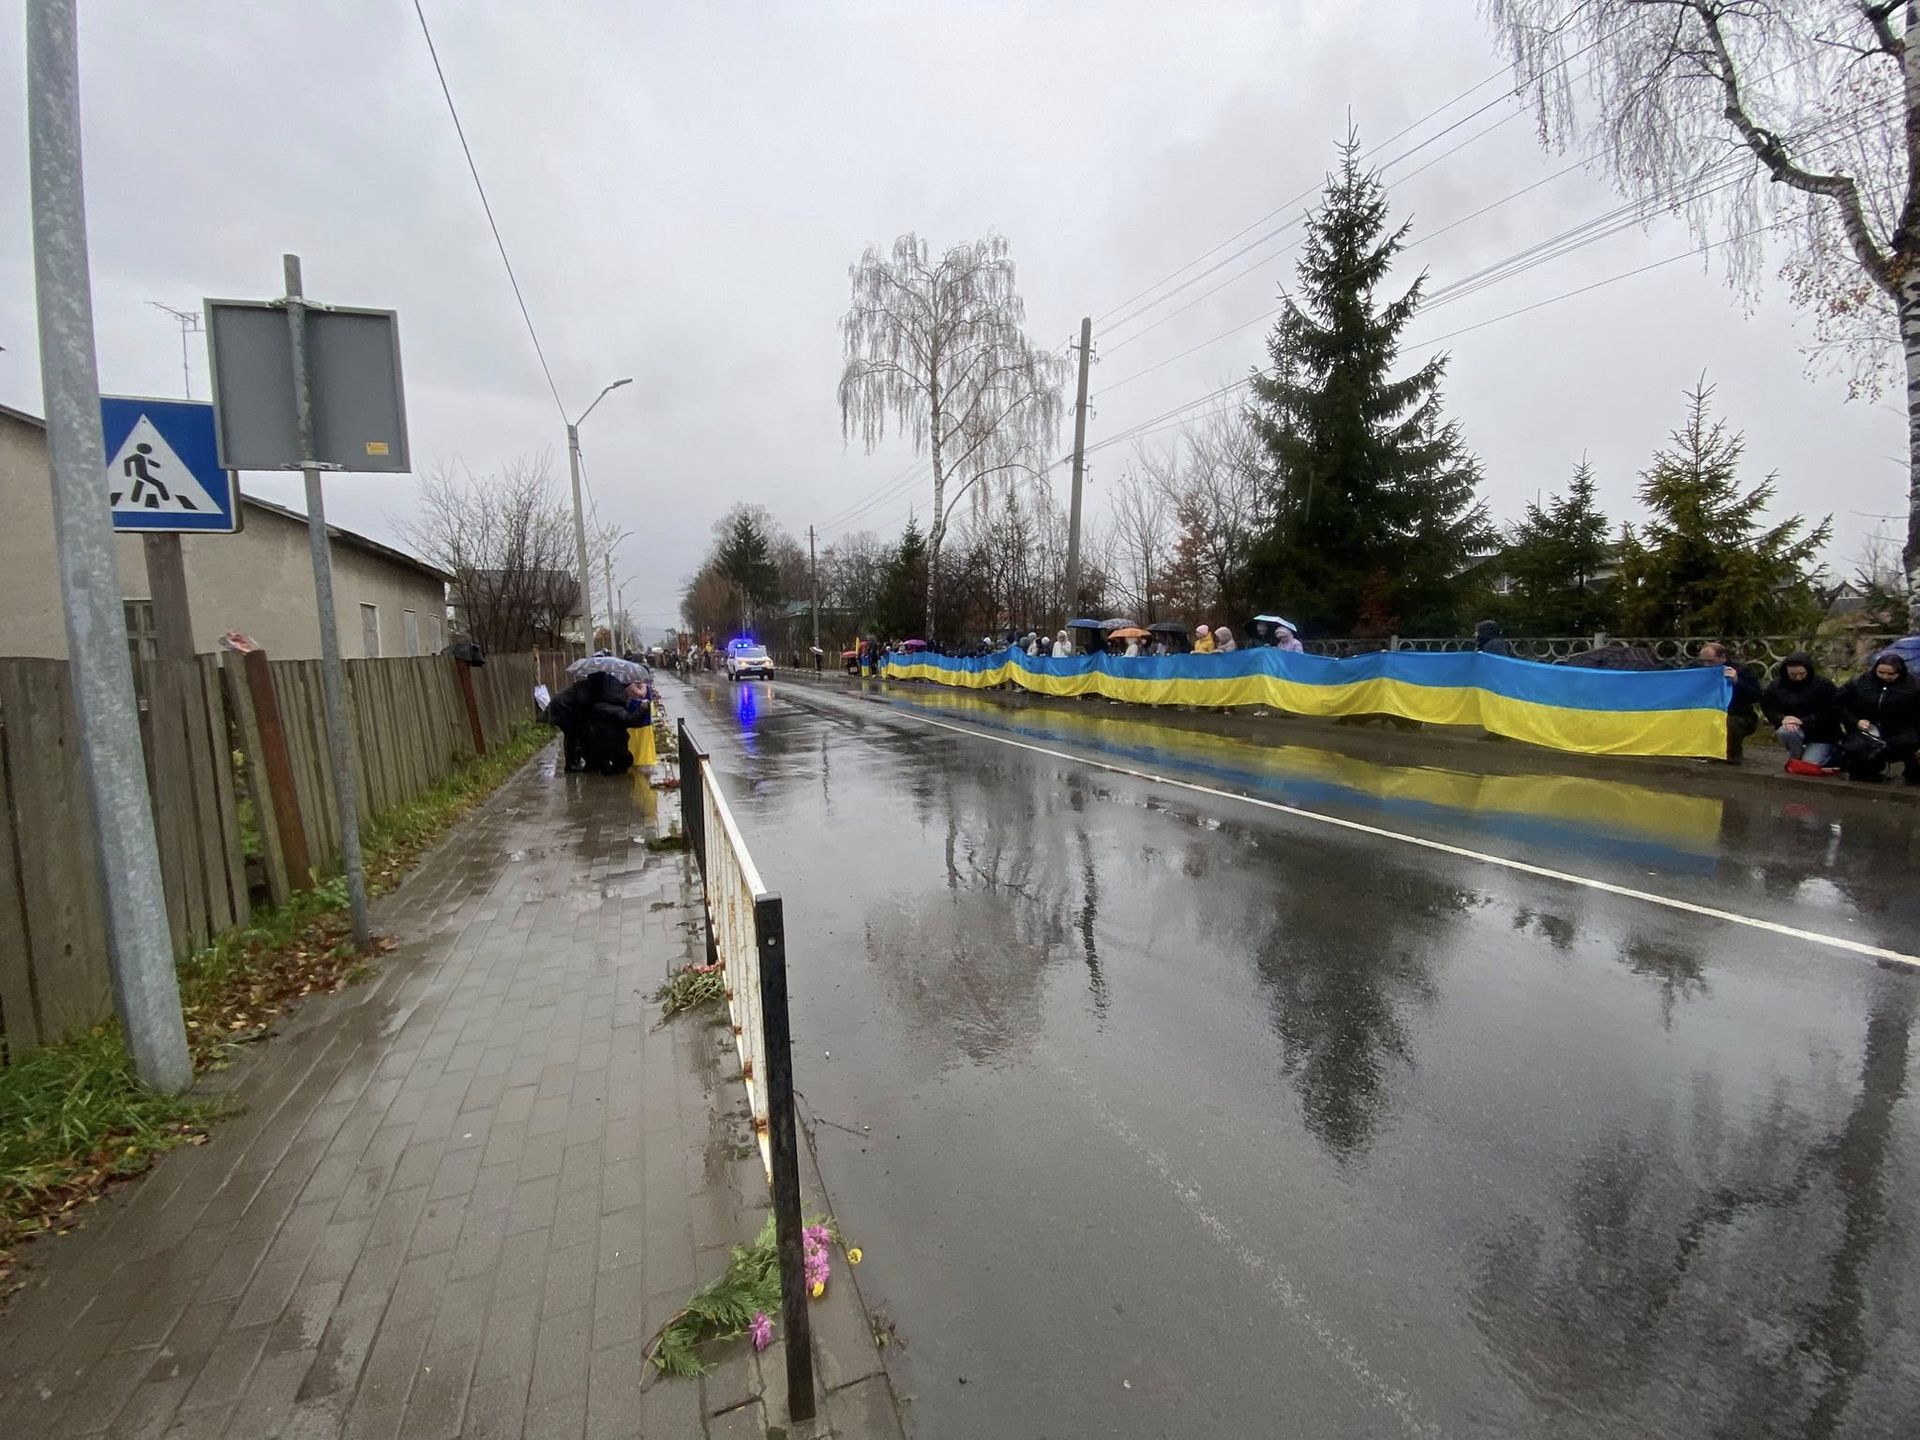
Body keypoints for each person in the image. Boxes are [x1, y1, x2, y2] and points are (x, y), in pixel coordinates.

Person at [1838, 652, 1920, 783]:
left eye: (1890, 674)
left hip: (1901, 730)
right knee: (1860, 752)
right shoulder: (1860, 682)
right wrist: (1855, 721)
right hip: (1868, 729)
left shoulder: (1914, 686)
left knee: (1908, 745)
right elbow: (1838, 704)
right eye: (1881, 672)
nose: (1885, 677)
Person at [546, 672, 647, 774]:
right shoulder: (587, 689)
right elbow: (582, 705)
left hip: (568, 710)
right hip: (564, 710)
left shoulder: (590, 690)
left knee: (576, 736)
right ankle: (572, 765)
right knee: (572, 735)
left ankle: (575, 763)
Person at [1761, 651, 1842, 771]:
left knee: (1810, 764)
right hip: (1793, 729)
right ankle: (1796, 757)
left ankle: (1832, 754)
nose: (1798, 678)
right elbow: (1768, 707)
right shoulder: (1776, 686)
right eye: (1793, 675)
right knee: (1786, 731)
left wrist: (1803, 720)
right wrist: (1782, 719)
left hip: (1822, 735)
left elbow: (1832, 711)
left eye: (1802, 673)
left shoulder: (1824, 685)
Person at [1696, 641, 1764, 763]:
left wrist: (1737, 682)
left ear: (1723, 657)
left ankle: (1733, 755)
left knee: (1729, 722)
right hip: (1710, 712)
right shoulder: (1699, 672)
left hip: (1740, 715)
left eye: (1710, 661)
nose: (1706, 665)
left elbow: (1756, 695)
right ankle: (1701, 750)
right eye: (1702, 661)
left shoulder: (1742, 670)